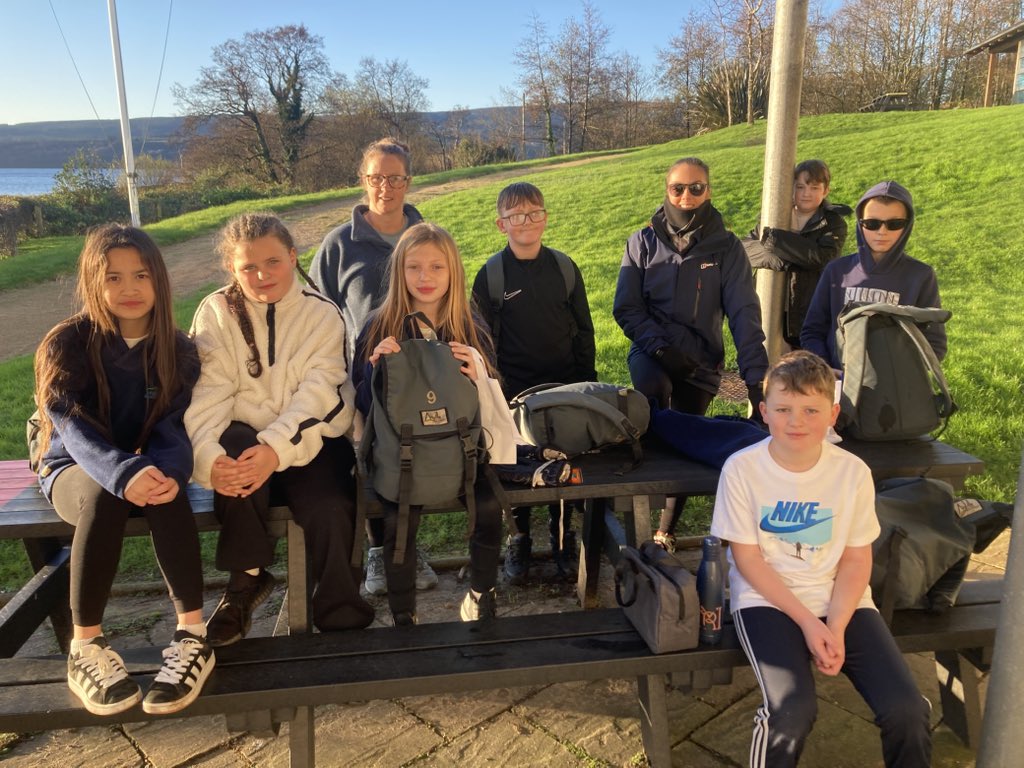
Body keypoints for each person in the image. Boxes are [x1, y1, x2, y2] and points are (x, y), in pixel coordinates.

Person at [710, 350, 931, 767]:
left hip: (842, 600)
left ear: (832, 415)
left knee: (907, 709)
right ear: (764, 412)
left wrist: (837, 625)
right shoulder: (742, 470)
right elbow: (748, 561)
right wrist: (811, 624)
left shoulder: (852, 472)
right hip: (766, 600)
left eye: (811, 410)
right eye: (783, 409)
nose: (796, 421)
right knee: (791, 711)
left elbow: (856, 559)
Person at [33, 224, 213, 716]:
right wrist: (123, 471)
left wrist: (170, 471)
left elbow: (173, 425)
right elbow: (70, 426)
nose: (129, 288)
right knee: (107, 492)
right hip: (73, 465)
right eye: (113, 277)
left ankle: (193, 636)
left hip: (141, 459)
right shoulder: (66, 343)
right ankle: (86, 645)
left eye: (140, 275)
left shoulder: (178, 350)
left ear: (159, 280)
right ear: (94, 282)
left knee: (167, 490)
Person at [186, 212, 374, 646]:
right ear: (231, 268)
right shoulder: (216, 311)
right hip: (242, 437)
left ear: (292, 257)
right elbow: (207, 393)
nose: (262, 275)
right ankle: (245, 583)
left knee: (330, 505)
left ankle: (340, 607)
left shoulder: (321, 313)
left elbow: (322, 395)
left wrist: (274, 449)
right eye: (248, 266)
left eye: (272, 262)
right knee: (233, 459)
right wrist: (208, 459)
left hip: (311, 437)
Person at [613, 156, 768, 552]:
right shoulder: (642, 241)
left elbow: (744, 313)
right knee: (651, 407)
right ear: (666, 191)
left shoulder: (727, 247)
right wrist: (661, 348)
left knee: (690, 435)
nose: (686, 195)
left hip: (701, 360)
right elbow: (627, 307)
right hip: (652, 351)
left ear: (708, 190)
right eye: (677, 188)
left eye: (696, 188)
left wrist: (755, 380)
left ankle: (665, 531)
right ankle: (638, 521)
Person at [353, 222, 504, 626]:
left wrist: (479, 372)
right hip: (400, 453)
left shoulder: (469, 325)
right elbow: (362, 405)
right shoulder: (378, 326)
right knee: (397, 517)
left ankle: (481, 594)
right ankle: (404, 614)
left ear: (453, 272)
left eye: (437, 267)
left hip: (462, 450)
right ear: (399, 271)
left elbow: (491, 397)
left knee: (489, 505)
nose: (425, 277)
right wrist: (373, 372)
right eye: (414, 267)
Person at [310, 137, 437, 596]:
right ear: (363, 180)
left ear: (408, 181)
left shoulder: (427, 236)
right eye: (377, 177)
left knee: (415, 460)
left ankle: (408, 548)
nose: (386, 187)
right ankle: (380, 552)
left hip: (421, 374)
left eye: (395, 177)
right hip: (362, 378)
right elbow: (318, 312)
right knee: (370, 463)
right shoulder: (338, 245)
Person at [471, 181, 596, 584]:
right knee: (515, 466)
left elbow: (584, 330)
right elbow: (480, 339)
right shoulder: (491, 275)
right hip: (511, 392)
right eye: (516, 216)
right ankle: (519, 537)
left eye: (534, 213)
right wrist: (491, 391)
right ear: (501, 224)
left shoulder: (564, 268)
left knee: (561, 462)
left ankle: (562, 538)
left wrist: (585, 383)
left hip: (562, 388)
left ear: (545, 218)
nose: (526, 221)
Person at [800, 180, 946, 369]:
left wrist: (899, 375)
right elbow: (812, 331)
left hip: (895, 385)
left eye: (894, 224)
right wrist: (826, 369)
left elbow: (934, 344)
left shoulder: (921, 276)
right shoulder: (837, 271)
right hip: (838, 382)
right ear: (860, 223)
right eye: (872, 223)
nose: (882, 232)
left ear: (907, 225)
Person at [743, 159, 852, 349]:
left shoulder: (833, 223)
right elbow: (744, 249)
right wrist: (777, 259)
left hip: (807, 310)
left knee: (803, 363)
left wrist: (775, 241)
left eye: (814, 188)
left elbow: (820, 258)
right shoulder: (775, 216)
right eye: (800, 187)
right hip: (769, 305)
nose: (806, 193)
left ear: (826, 191)